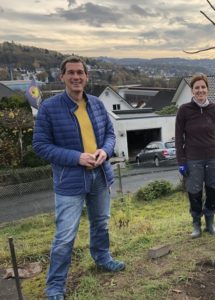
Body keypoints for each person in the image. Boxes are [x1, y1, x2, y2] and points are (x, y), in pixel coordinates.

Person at [33, 56, 125, 300]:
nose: (76, 77)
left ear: (86, 77)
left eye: (80, 73)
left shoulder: (95, 103)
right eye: (71, 73)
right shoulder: (49, 108)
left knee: (101, 223)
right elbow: (40, 145)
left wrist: (104, 151)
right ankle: (55, 287)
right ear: (62, 76)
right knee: (64, 236)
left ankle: (102, 258)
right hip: (69, 181)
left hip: (100, 175)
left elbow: (109, 134)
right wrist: (77, 157)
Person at [175, 73, 215, 239]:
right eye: (197, 88)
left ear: (207, 89)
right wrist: (181, 161)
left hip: (214, 156)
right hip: (193, 158)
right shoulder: (184, 111)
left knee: (213, 190)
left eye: (203, 87)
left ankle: (210, 223)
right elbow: (178, 137)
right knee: (194, 192)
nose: (200, 90)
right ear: (192, 91)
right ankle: (196, 224)